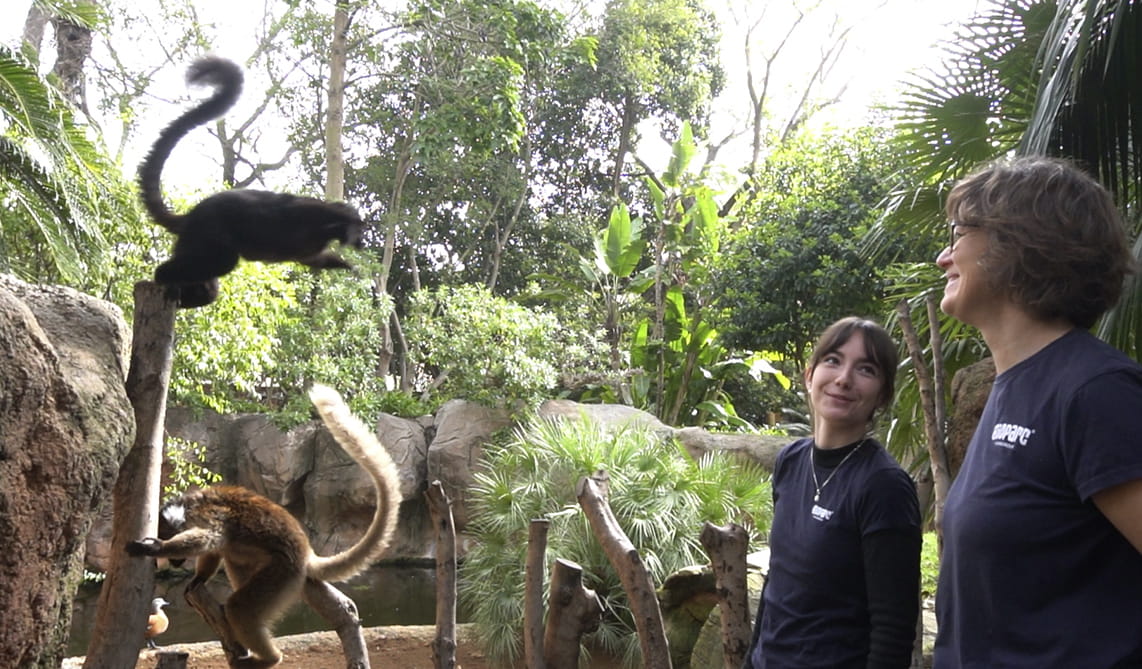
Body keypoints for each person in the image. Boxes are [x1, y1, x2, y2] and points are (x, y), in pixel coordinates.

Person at [932, 155, 1142, 668]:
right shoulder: (1014, 387)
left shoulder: (1095, 391)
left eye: (958, 234)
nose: (943, 256)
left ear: (1016, 242)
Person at [744, 316, 922, 669]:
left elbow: (893, 630)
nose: (843, 379)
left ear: (882, 396)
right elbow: (777, 581)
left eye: (865, 369)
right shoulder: (791, 461)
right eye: (833, 360)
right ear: (810, 375)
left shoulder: (884, 486)